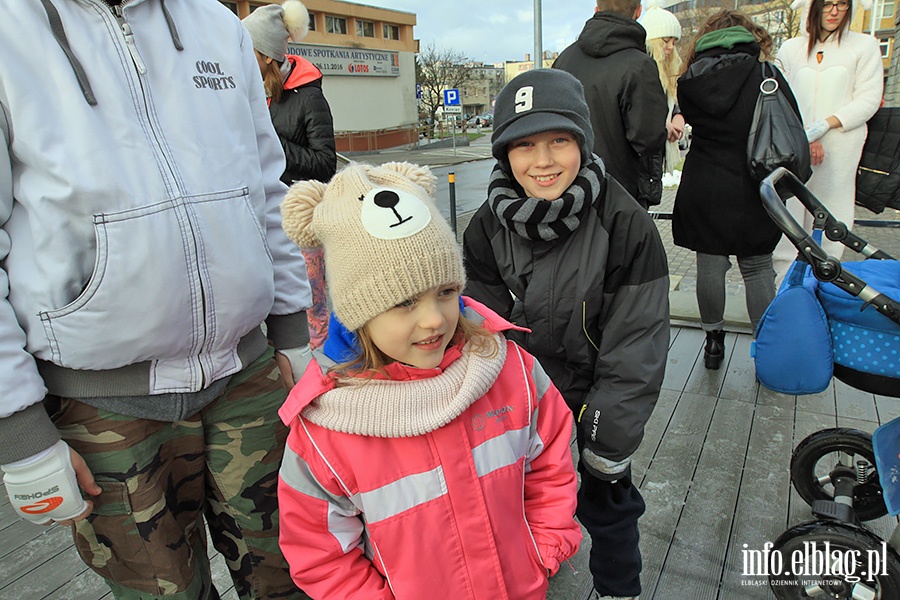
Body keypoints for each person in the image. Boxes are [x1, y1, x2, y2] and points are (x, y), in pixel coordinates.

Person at [0, 2, 315, 598]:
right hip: (102, 403)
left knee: (296, 577)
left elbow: (266, 186)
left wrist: (294, 333)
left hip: (248, 376)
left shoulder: (217, 24)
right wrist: (18, 433)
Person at [276, 161, 581, 599]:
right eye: (404, 302)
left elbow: (551, 462)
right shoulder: (327, 431)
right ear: (360, 314)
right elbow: (321, 553)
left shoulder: (508, 369)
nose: (434, 319)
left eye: (446, 291)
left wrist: (543, 549)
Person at [463, 69, 670, 600]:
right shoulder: (486, 227)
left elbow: (637, 343)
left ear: (582, 141)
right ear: (504, 154)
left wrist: (607, 438)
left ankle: (618, 589)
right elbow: (479, 330)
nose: (544, 160)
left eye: (560, 140)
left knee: (609, 505)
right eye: (524, 145)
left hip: (591, 397)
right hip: (518, 404)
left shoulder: (624, 225)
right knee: (508, 507)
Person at [673, 10, 803, 369]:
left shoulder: (690, 80)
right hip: (752, 182)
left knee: (709, 267)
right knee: (758, 268)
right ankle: (764, 349)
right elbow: (790, 122)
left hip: (704, 182)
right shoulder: (765, 75)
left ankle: (713, 343)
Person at [243, 0, 337, 350]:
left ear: (266, 56)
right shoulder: (253, 95)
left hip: (300, 222)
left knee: (311, 305)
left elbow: (325, 163)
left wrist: (271, 143)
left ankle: (321, 373)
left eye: (247, 50)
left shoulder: (308, 97)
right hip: (263, 215)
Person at [773, 0, 883, 282]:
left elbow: (868, 99)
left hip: (840, 147)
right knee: (790, 222)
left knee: (833, 220)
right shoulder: (791, 49)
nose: (834, 11)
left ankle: (828, 285)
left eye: (842, 4)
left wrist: (824, 126)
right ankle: (785, 293)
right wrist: (804, 136)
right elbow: (781, 99)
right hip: (795, 147)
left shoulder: (864, 46)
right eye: (827, 4)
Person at [553, 0, 669, 209]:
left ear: (597, 10)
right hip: (620, 195)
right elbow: (649, 138)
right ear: (638, 11)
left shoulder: (564, 59)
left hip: (569, 190)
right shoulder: (639, 65)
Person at [639, 3, 686, 175]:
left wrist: (678, 118)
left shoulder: (670, 70)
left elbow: (675, 101)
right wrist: (661, 126)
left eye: (674, 42)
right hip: (644, 158)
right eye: (665, 41)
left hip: (658, 154)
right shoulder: (641, 69)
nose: (671, 47)